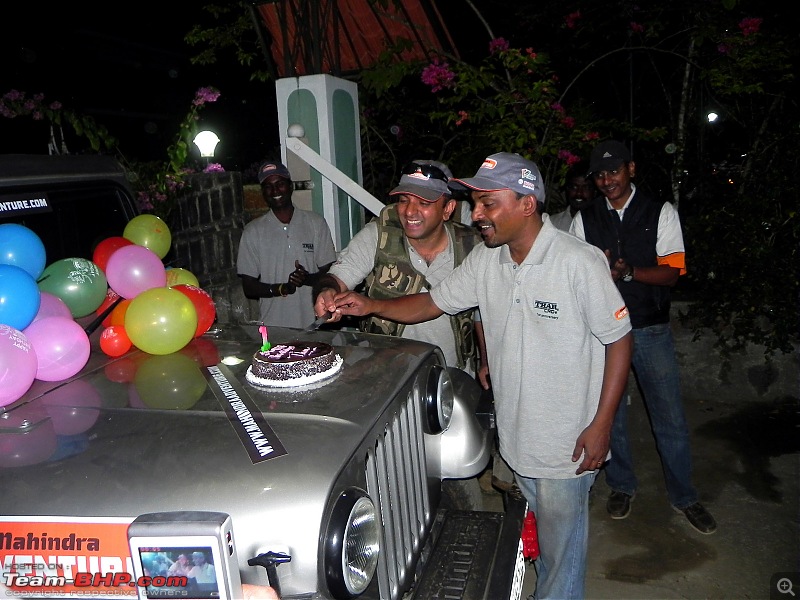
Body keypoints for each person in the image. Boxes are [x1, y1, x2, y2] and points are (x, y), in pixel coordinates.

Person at [319, 152, 633, 600]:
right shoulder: (490, 261)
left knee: (564, 564)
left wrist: (602, 426)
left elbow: (620, 339)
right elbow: (432, 302)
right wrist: (371, 305)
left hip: (568, 444)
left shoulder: (576, 262)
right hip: (518, 437)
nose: (476, 213)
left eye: (488, 203)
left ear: (527, 203)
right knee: (542, 547)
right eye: (475, 203)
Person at [570, 140, 717, 535]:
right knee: (611, 416)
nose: (606, 180)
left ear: (630, 169)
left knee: (668, 416)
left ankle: (684, 495)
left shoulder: (660, 212)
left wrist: (629, 271)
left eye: (614, 171)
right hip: (603, 333)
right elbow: (573, 276)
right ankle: (621, 485)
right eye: (599, 174)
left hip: (650, 327)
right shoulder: (584, 218)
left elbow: (671, 273)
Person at [312, 159, 488, 383]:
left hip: (452, 375)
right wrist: (327, 291)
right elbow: (337, 277)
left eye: (423, 202)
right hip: (387, 377)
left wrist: (486, 360)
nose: (409, 211)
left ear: (448, 209)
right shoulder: (379, 236)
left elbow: (480, 312)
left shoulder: (472, 246)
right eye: (404, 200)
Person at [237, 160, 337, 329]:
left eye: (280, 184)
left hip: (316, 325)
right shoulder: (252, 231)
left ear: (290, 186)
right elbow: (249, 287)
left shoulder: (315, 223)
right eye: (268, 186)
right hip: (274, 327)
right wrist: (281, 288)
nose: (275, 190)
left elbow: (332, 274)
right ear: (263, 192)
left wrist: (307, 278)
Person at [549, 159, 596, 232]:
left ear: (594, 191)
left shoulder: (603, 225)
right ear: (567, 189)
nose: (579, 193)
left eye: (585, 188)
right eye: (574, 187)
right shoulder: (552, 224)